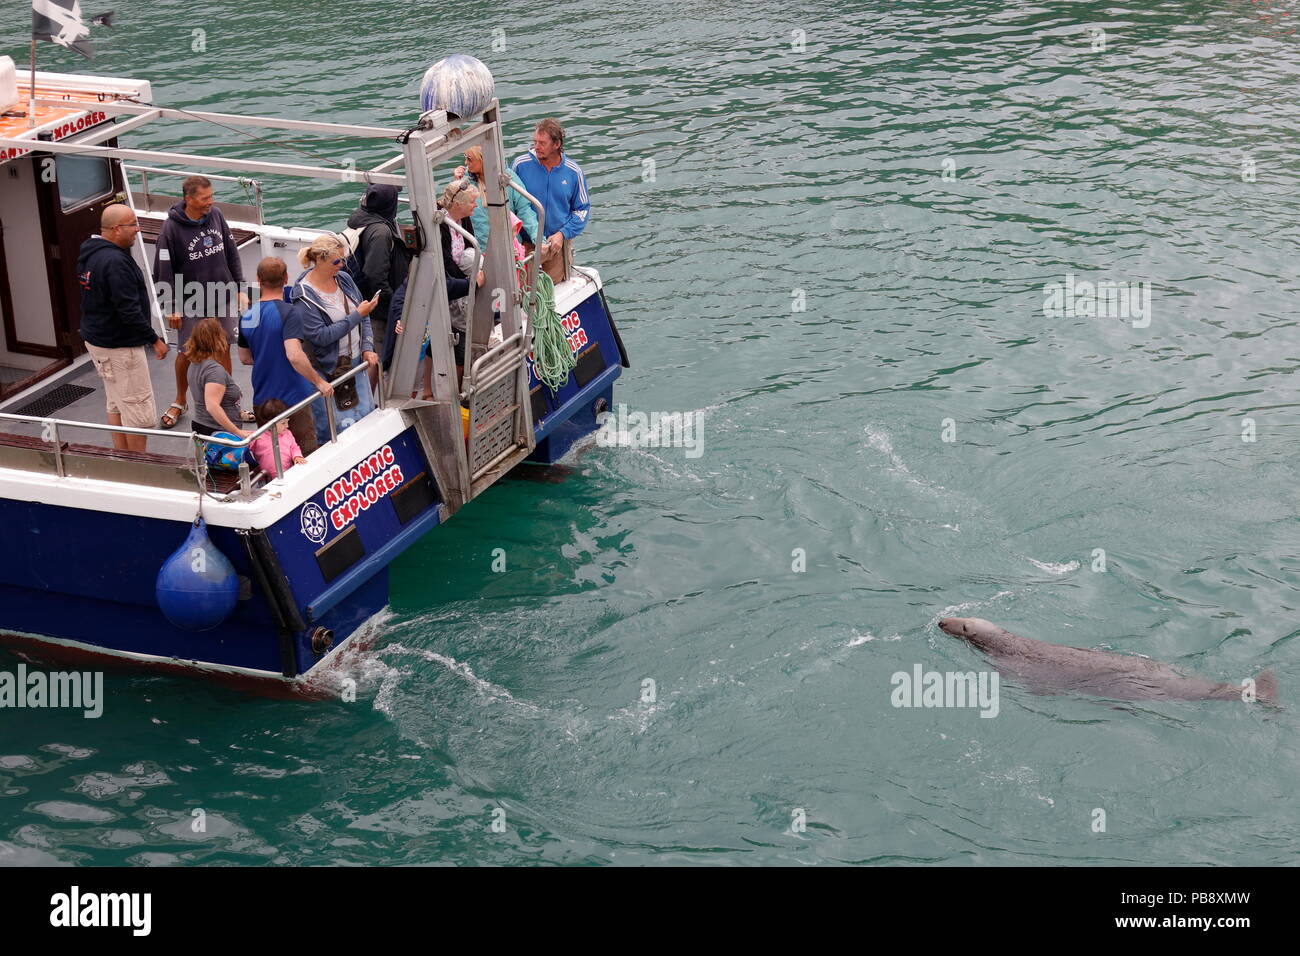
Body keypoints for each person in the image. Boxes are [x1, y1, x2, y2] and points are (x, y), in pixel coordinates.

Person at [153, 175, 249, 429]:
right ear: (189, 199)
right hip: (190, 302)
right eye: (205, 198)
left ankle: (230, 402)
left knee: (223, 347)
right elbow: (163, 270)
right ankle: (180, 400)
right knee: (187, 352)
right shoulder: (170, 230)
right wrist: (170, 306)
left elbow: (231, 253)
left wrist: (239, 287)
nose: (211, 201)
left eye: (211, 196)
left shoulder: (216, 215)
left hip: (222, 296)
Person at [76, 205, 171, 453]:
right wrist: (155, 339)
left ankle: (121, 455)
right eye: (133, 224)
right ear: (117, 229)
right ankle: (138, 466)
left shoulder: (89, 251)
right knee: (138, 409)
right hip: (120, 347)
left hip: (98, 340)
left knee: (117, 402)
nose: (138, 230)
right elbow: (128, 311)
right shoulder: (116, 262)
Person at [284, 235, 381, 446]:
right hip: (329, 369)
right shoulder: (304, 296)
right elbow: (320, 336)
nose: (342, 265)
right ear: (319, 260)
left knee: (364, 416)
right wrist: (357, 315)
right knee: (337, 429)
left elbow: (363, 312)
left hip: (356, 364)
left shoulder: (344, 279)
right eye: (336, 261)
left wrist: (367, 347)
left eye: (343, 260)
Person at [236, 257, 324, 458]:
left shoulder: (248, 316)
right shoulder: (290, 312)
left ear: (258, 280)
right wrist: (319, 382)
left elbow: (245, 358)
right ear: (286, 279)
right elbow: (294, 355)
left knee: (272, 458)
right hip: (294, 398)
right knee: (304, 454)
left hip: (263, 400)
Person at [511, 118, 590, 283]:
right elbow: (510, 203)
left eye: (542, 143)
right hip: (525, 245)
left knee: (552, 294)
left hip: (557, 245)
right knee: (524, 292)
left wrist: (563, 234)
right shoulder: (519, 165)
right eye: (535, 142)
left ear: (557, 144)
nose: (536, 147)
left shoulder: (574, 172)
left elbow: (582, 210)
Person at [344, 184, 409, 373]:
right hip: (378, 309)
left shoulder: (361, 219)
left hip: (364, 300)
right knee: (377, 356)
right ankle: (376, 400)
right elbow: (374, 274)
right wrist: (394, 300)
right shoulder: (381, 233)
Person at [438, 179, 486, 380]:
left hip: (466, 273)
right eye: (472, 202)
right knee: (460, 326)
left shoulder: (464, 218)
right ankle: (462, 377)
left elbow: (471, 244)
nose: (476, 205)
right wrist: (468, 284)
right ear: (458, 205)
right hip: (453, 280)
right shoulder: (441, 225)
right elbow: (446, 261)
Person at [455, 144, 538, 254]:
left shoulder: (508, 178)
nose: (465, 163)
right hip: (481, 251)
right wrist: (455, 182)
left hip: (511, 248)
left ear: (483, 159)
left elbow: (524, 210)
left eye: (469, 159)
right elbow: (456, 213)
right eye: (465, 157)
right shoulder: (465, 183)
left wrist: (538, 239)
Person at [185, 318, 251, 439]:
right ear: (219, 339)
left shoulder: (194, 364)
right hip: (218, 431)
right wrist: (237, 432)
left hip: (202, 425)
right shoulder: (214, 371)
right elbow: (212, 406)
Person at [249, 398, 307, 476]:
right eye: (283, 423)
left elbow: (294, 447)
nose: (287, 426)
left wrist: (297, 456)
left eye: (287, 422)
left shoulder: (287, 434)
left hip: (287, 473)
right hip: (266, 477)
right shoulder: (258, 436)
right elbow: (244, 448)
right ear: (269, 423)